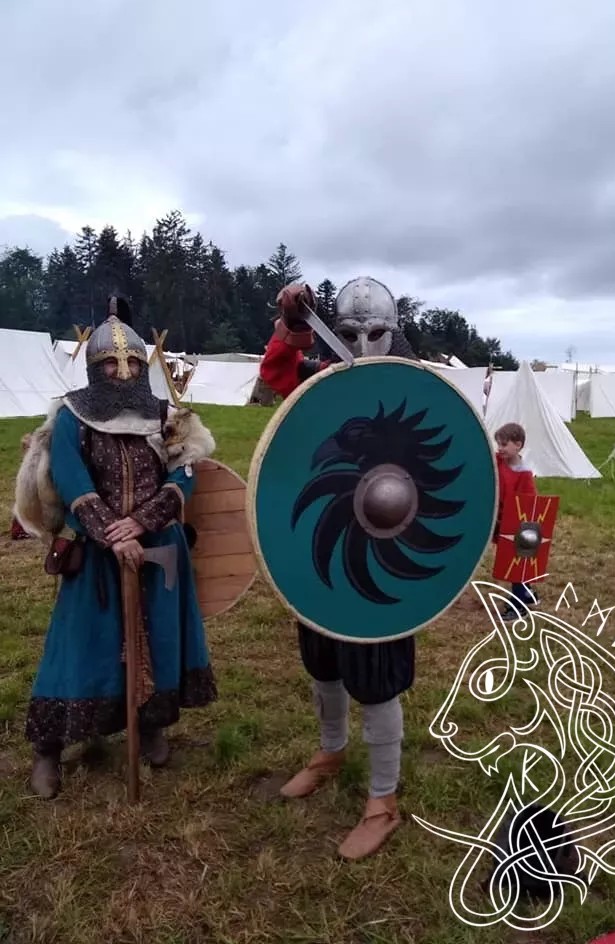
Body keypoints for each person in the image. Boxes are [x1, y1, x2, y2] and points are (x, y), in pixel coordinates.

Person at [14, 295, 218, 799]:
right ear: (93, 366)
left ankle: (149, 725)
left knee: (159, 640)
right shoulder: (73, 416)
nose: (122, 371)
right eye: (110, 362)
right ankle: (48, 747)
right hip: (94, 551)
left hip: (158, 549)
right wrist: (111, 534)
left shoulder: (168, 417)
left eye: (131, 362)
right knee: (78, 645)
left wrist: (141, 525)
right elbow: (70, 477)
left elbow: (183, 475)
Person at [259, 277, 416, 861]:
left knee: (375, 679)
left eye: (374, 333)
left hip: (382, 557)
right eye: (348, 333)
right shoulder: (319, 380)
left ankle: (383, 800)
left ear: (394, 334)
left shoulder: (413, 391)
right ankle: (331, 751)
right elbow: (275, 375)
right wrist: (291, 325)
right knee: (322, 661)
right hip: (322, 546)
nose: (362, 343)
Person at [493, 422, 540, 621]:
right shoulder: (498, 461)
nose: (500, 448)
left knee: (516, 564)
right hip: (501, 521)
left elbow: (528, 504)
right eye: (498, 444)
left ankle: (518, 606)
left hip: (516, 526)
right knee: (513, 562)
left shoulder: (524, 474)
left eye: (504, 444)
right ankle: (527, 594)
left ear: (518, 445)